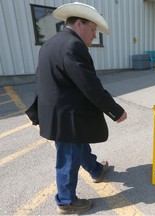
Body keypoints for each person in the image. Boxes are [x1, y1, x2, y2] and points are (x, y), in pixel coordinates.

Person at [25, 2, 127, 214]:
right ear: (79, 23)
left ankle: (96, 170)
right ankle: (66, 201)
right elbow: (90, 85)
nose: (93, 36)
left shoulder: (51, 43)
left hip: (56, 112)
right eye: (92, 30)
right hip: (66, 116)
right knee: (68, 157)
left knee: (78, 146)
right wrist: (115, 111)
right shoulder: (73, 46)